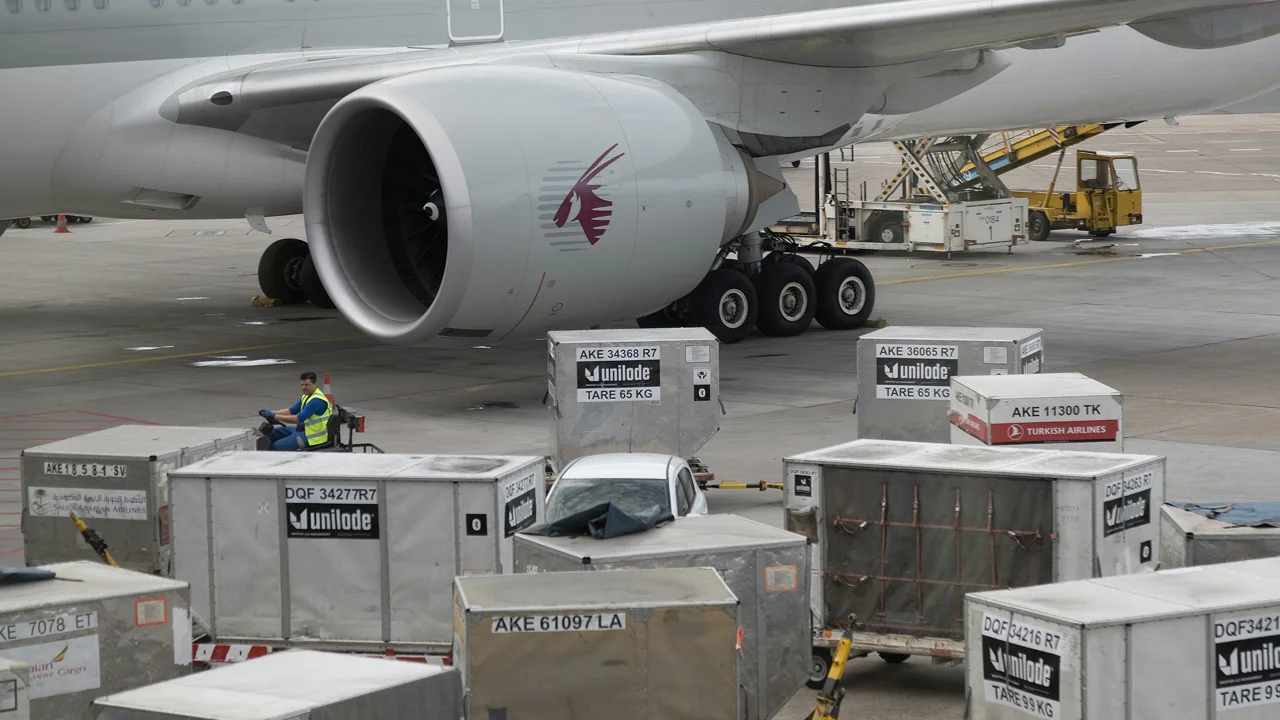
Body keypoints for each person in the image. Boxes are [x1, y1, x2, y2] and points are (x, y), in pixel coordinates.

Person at [259, 372, 332, 451]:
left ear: (315, 384)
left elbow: (297, 419)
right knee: (272, 433)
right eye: (302, 385)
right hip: (303, 430)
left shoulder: (316, 401)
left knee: (277, 447)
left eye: (307, 385)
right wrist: (271, 412)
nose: (303, 387)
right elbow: (290, 411)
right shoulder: (306, 396)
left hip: (311, 437)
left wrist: (274, 416)